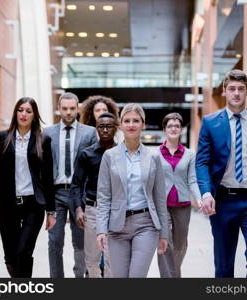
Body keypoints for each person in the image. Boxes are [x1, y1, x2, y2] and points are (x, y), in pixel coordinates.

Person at [195, 69, 247, 278]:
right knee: (224, 265)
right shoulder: (210, 123)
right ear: (224, 91)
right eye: (232, 89)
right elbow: (202, 161)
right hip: (223, 201)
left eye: (241, 89)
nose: (236, 93)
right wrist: (205, 193)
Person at [0, 97, 56, 278]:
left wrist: (51, 211)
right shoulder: (2, 138)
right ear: (15, 112)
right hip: (8, 204)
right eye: (20, 110)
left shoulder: (43, 140)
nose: (24, 114)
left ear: (34, 116)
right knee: (11, 254)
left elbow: (48, 177)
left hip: (33, 204)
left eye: (29, 111)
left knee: (23, 252)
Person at [96, 103, 168, 277]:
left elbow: (159, 197)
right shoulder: (109, 156)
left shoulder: (153, 157)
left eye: (136, 120)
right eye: (127, 121)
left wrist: (164, 233)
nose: (131, 124)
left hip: (146, 225)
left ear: (143, 124)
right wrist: (101, 229)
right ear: (120, 125)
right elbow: (104, 196)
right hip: (116, 226)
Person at [44, 92, 97, 278]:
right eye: (64, 108)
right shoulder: (48, 133)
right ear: (59, 109)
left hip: (79, 195)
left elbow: (93, 166)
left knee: (80, 242)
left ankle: (79, 277)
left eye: (72, 109)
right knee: (55, 241)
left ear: (78, 109)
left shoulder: (89, 133)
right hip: (56, 193)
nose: (68, 112)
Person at [70, 112, 118, 278]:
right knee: (92, 259)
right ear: (96, 129)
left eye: (109, 126)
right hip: (93, 210)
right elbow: (76, 184)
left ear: (116, 128)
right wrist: (78, 209)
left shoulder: (122, 153)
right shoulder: (86, 154)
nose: (105, 130)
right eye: (101, 126)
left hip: (116, 210)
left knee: (113, 259)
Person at [157, 112, 201, 278]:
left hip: (182, 206)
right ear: (164, 129)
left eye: (177, 126)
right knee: (164, 243)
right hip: (162, 206)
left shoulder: (190, 154)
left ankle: (175, 272)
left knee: (180, 245)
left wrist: (199, 198)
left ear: (181, 129)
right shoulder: (155, 154)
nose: (173, 128)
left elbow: (192, 180)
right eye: (170, 126)